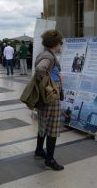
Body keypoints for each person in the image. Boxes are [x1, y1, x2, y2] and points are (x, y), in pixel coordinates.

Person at [34, 29, 64, 171]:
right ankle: (50, 159)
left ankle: (39, 150)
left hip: (45, 97)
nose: (61, 45)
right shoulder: (49, 56)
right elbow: (41, 69)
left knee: (44, 124)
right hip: (51, 97)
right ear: (55, 43)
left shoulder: (44, 53)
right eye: (60, 43)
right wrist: (50, 84)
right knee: (52, 127)